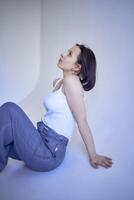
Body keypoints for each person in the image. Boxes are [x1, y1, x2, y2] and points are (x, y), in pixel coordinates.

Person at [0, 43, 113, 172]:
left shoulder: (72, 83)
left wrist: (93, 155)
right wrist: (59, 82)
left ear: (77, 67)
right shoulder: (63, 82)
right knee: (6, 137)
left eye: (69, 54)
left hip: (49, 152)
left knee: (10, 109)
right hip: (41, 140)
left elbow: (82, 121)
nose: (63, 54)